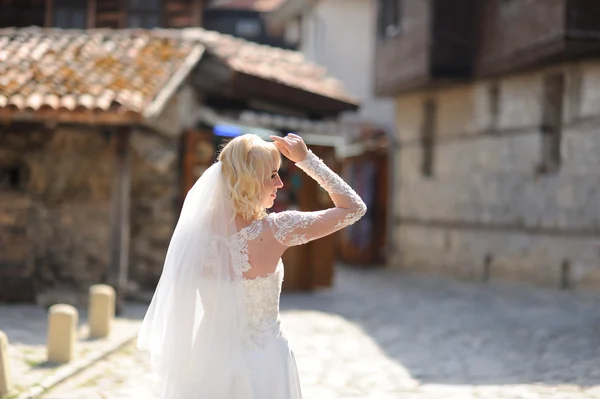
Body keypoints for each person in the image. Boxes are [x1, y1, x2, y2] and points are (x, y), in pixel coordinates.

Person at [137, 133, 367, 399]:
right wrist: (307, 160)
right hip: (265, 362)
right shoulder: (277, 229)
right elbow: (354, 208)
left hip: (206, 362)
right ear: (249, 180)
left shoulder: (193, 234)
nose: (280, 183)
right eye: (272, 175)